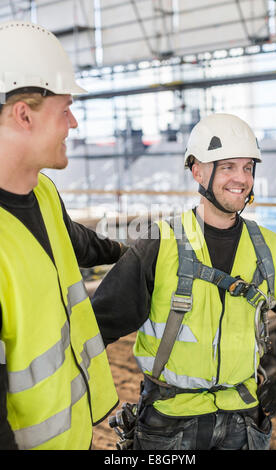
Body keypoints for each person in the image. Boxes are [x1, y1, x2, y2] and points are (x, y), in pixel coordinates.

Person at [92, 113, 276, 450]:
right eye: (228, 166)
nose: (242, 178)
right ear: (198, 171)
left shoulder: (273, 251)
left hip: (244, 423)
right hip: (169, 423)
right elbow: (97, 325)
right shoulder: (158, 245)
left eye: (248, 167)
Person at [0, 21, 128, 450]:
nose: (73, 122)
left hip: (77, 436)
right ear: (24, 114)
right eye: (65, 108)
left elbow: (75, 241)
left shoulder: (43, 192)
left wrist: (133, 252)